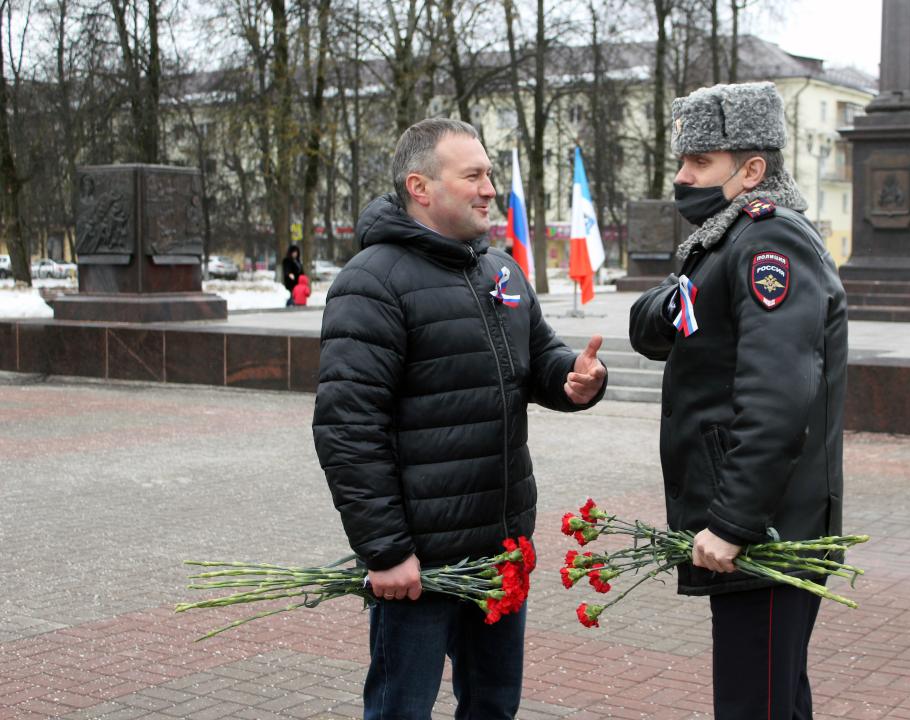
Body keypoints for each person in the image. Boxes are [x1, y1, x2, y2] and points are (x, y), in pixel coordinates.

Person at [312, 117, 607, 720]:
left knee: (494, 707)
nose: (489, 188)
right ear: (421, 187)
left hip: (499, 551)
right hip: (421, 563)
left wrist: (573, 379)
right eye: (473, 175)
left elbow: (538, 356)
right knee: (402, 712)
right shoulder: (371, 283)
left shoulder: (499, 269)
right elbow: (348, 430)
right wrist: (386, 551)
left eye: (490, 174)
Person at [629, 82, 847, 720]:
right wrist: (682, 297)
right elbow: (650, 328)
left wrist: (733, 523)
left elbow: (778, 400)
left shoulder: (768, 244)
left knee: (755, 705)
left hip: (766, 529)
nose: (681, 176)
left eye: (700, 163)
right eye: (683, 161)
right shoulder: (721, 243)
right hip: (754, 522)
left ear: (752, 171)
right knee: (773, 700)